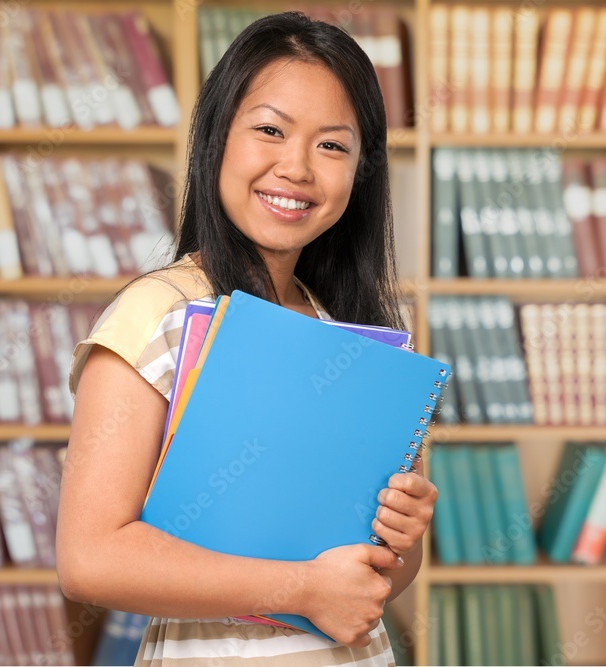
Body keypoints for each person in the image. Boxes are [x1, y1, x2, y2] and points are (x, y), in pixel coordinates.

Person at [57, 12, 436, 667]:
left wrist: (401, 539)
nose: (296, 168)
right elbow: (89, 558)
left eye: (332, 145)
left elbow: (383, 577)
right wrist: (303, 587)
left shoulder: (357, 335)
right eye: (269, 130)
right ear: (216, 140)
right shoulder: (158, 312)